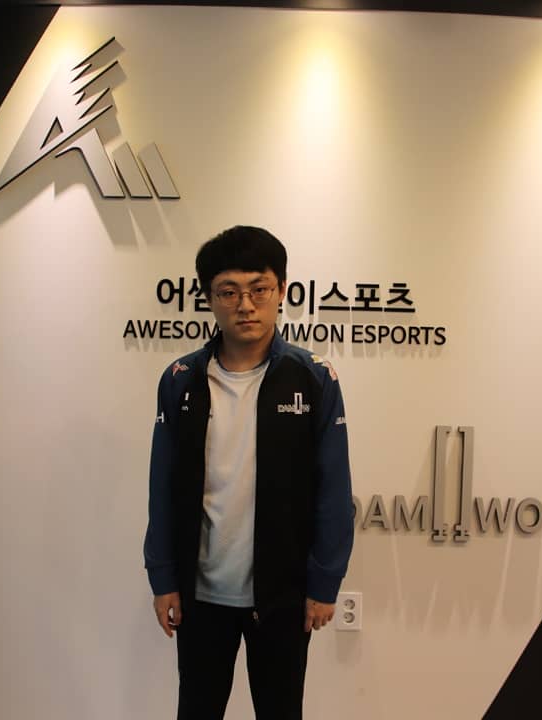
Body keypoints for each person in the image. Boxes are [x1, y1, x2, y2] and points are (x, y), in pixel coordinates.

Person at [143, 225, 354, 719]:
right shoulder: (181, 381)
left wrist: (324, 583)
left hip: (284, 595)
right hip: (200, 594)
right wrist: (163, 576)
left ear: (282, 291)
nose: (245, 305)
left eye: (259, 289)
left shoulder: (313, 378)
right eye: (229, 292)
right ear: (208, 298)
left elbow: (333, 488)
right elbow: (163, 487)